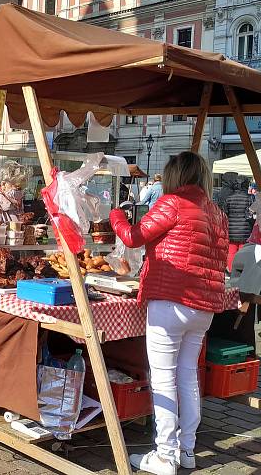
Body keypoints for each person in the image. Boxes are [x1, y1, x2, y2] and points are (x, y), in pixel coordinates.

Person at [110, 151, 228, 475]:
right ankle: (186, 450)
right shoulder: (217, 212)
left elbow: (132, 237)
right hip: (204, 306)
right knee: (188, 374)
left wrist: (116, 216)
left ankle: (165, 455)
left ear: (174, 176)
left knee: (163, 378)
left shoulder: (172, 203)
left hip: (171, 300)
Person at [219, 174, 254, 271]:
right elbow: (251, 213)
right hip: (245, 229)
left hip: (232, 229)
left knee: (231, 251)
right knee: (243, 250)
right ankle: (241, 271)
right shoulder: (249, 198)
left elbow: (225, 214)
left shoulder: (229, 198)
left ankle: (230, 270)